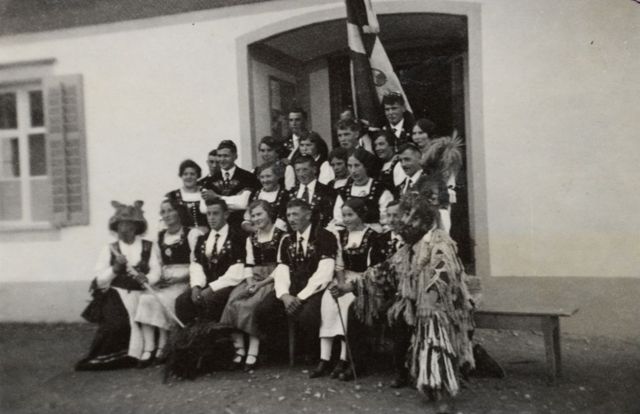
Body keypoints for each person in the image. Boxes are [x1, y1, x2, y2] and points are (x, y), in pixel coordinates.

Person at [335, 187, 477, 412]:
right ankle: (424, 379)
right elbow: (383, 271)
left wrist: (430, 300)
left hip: (442, 306)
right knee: (409, 322)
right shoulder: (408, 249)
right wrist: (349, 286)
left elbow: (442, 274)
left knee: (435, 331)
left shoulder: (439, 243)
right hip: (416, 304)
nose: (401, 229)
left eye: (406, 222)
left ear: (420, 221)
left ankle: (443, 389)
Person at [76, 201, 161, 371]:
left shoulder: (149, 246)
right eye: (120, 225)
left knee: (149, 318)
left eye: (129, 225)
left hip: (143, 293)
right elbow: (100, 280)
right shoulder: (109, 249)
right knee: (116, 325)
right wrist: (115, 269)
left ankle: (148, 352)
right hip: (117, 293)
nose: (124, 229)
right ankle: (121, 358)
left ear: (137, 227)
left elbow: (156, 271)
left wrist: (147, 278)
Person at [254, 198, 338, 362]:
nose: (291, 219)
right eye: (288, 215)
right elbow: (282, 269)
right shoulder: (287, 239)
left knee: (308, 315)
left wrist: (300, 297)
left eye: (295, 214)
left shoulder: (324, 236)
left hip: (317, 288)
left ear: (308, 215)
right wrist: (284, 295)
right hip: (292, 288)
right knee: (263, 310)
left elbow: (325, 273)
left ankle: (313, 353)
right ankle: (281, 351)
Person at [314, 199, 380, 381]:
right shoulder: (341, 235)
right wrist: (340, 283)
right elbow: (339, 263)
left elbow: (372, 269)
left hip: (361, 280)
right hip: (343, 278)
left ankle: (344, 358)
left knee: (346, 306)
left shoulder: (372, 236)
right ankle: (324, 357)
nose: (346, 219)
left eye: (351, 215)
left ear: (361, 215)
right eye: (344, 215)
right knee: (328, 303)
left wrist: (348, 287)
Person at [219, 200, 286, 371]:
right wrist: (250, 283)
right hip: (254, 277)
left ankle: (253, 351)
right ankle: (239, 348)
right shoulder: (252, 238)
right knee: (233, 301)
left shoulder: (281, 236)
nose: (256, 219)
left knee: (251, 305)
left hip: (272, 278)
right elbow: (248, 264)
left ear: (269, 214)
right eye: (253, 216)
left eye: (259, 214)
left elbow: (281, 266)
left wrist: (261, 284)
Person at [134, 199, 192, 365]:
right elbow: (157, 266)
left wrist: (181, 276)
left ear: (178, 211)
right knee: (146, 298)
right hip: (165, 282)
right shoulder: (159, 238)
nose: (166, 215)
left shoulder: (190, 234)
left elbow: (197, 263)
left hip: (185, 282)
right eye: (163, 212)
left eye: (170, 210)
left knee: (162, 300)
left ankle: (163, 345)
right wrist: (152, 279)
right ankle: (149, 347)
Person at [174, 198, 247, 325]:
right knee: (182, 301)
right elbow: (196, 265)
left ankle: (212, 334)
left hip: (228, 284)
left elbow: (238, 270)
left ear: (226, 214)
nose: (211, 218)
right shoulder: (202, 239)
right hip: (206, 284)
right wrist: (196, 286)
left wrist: (212, 288)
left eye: (216, 213)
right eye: (208, 214)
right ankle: (191, 333)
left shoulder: (237, 237)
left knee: (209, 300)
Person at [200, 140, 260, 232]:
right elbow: (204, 208)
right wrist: (234, 202)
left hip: (241, 228)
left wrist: (216, 197)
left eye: (226, 156)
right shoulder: (209, 181)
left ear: (235, 156)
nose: (222, 159)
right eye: (219, 156)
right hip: (218, 229)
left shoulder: (248, 177)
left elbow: (243, 204)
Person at [332, 148, 394, 232]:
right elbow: (339, 222)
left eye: (357, 165)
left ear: (366, 166)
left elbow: (387, 222)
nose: (353, 170)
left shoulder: (379, 190)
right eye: (350, 166)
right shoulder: (343, 192)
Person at [287, 155, 336, 228]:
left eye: (305, 170)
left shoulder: (328, 191)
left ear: (314, 169)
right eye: (298, 170)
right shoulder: (290, 193)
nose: (301, 174)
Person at [243, 161, 289, 233]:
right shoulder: (255, 194)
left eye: (268, 176)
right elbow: (247, 220)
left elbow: (284, 221)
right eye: (262, 177)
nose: (265, 180)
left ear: (277, 176)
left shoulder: (285, 195)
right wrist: (254, 230)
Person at [165, 159, 208, 232]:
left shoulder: (205, 193)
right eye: (185, 174)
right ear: (181, 176)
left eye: (192, 174)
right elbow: (165, 221)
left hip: (206, 235)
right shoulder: (172, 196)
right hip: (181, 236)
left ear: (198, 175)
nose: (189, 177)